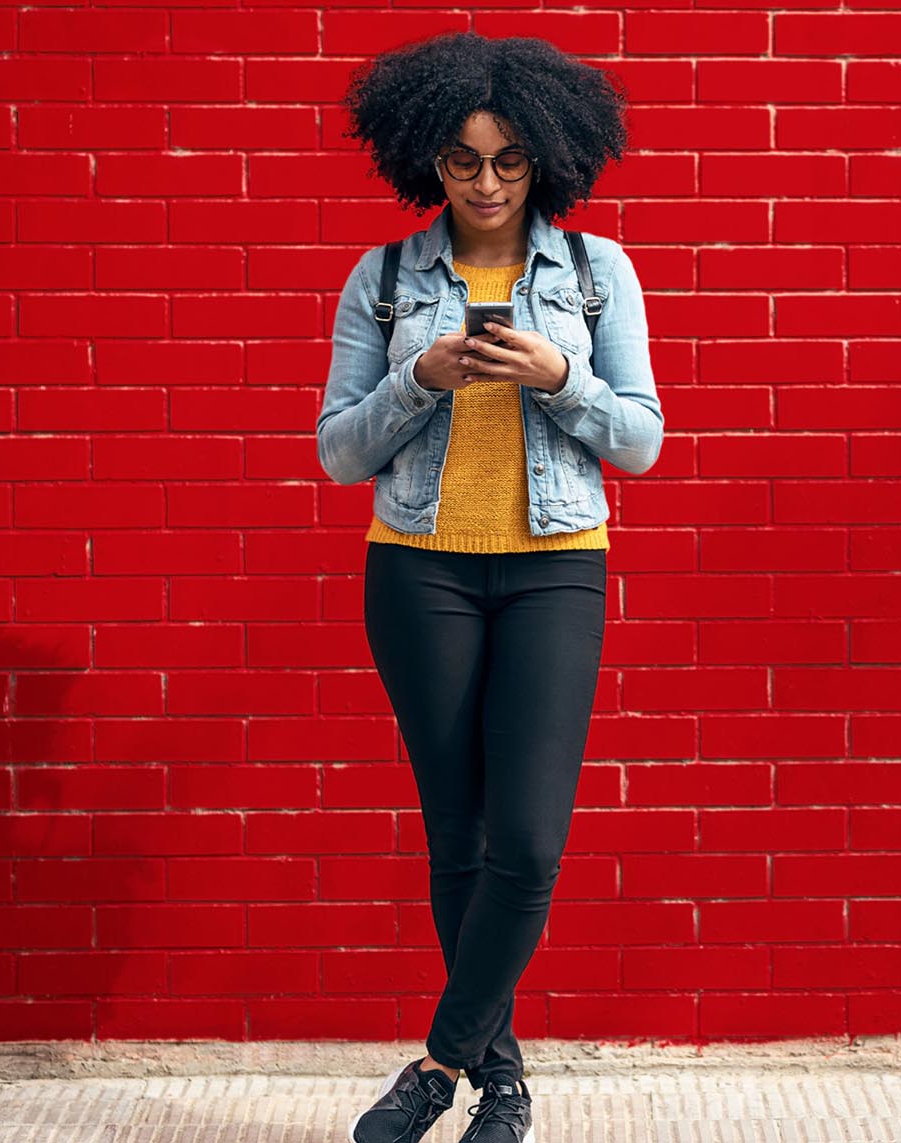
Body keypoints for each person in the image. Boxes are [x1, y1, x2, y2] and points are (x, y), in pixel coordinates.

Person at [315, 31, 664, 1143]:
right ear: (429, 159)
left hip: (556, 567)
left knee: (529, 841)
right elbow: (336, 452)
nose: (485, 183)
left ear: (547, 160)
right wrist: (421, 376)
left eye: (509, 161)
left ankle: (437, 1061)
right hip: (418, 570)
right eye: (464, 161)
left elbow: (644, 440)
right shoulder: (382, 281)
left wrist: (560, 376)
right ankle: (501, 1083)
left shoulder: (598, 274)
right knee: (457, 835)